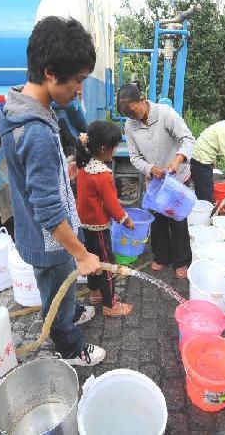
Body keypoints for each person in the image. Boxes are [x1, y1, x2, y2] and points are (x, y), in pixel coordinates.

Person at [0, 17, 106, 366]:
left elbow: (35, 180)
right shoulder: (37, 132)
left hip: (39, 235)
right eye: (77, 80)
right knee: (56, 293)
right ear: (49, 72)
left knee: (62, 287)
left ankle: (68, 314)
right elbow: (48, 212)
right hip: (50, 241)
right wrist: (81, 254)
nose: (79, 90)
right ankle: (69, 347)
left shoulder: (23, 109)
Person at [118, 84, 195, 279]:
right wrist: (150, 169)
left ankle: (181, 260)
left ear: (142, 100)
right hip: (155, 181)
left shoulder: (165, 114)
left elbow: (187, 139)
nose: (133, 117)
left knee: (177, 219)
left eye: (133, 111)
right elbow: (135, 157)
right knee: (158, 220)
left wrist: (178, 160)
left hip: (176, 178)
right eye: (128, 115)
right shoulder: (130, 125)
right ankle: (161, 256)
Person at [76, 121, 135, 316]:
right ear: (103, 148)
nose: (116, 149)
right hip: (98, 228)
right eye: (114, 146)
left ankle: (95, 294)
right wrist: (125, 219)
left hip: (84, 226)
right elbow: (112, 205)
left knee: (91, 260)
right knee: (106, 266)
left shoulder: (83, 166)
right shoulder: (102, 174)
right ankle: (110, 305)